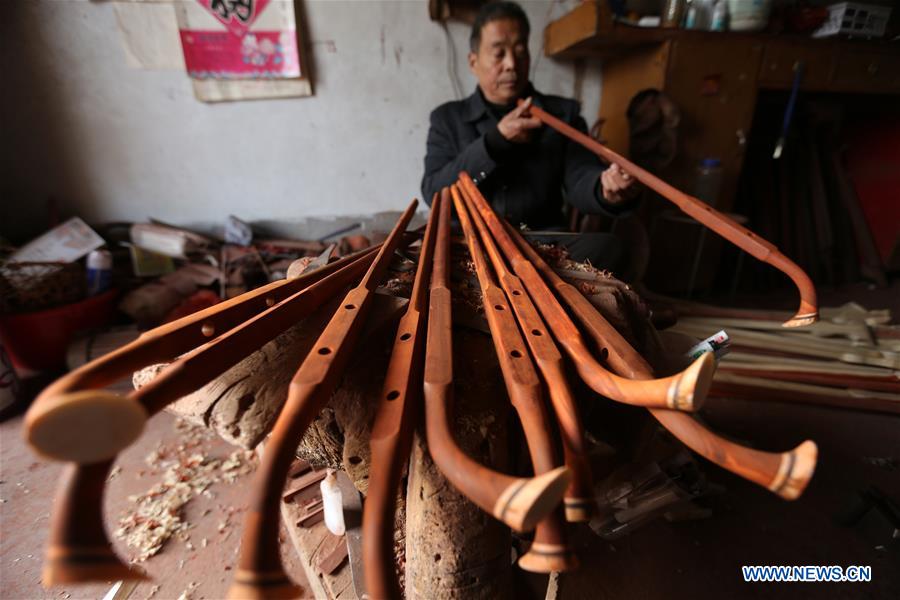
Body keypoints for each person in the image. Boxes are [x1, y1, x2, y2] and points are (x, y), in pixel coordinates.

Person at [421, 1, 640, 270]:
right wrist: (495, 142)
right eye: (499, 54)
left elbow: (581, 175)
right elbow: (434, 192)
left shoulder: (561, 113)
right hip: (472, 244)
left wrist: (605, 189)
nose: (512, 64)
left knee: (609, 248)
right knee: (426, 260)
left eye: (521, 51)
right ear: (473, 61)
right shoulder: (448, 118)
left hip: (542, 242)